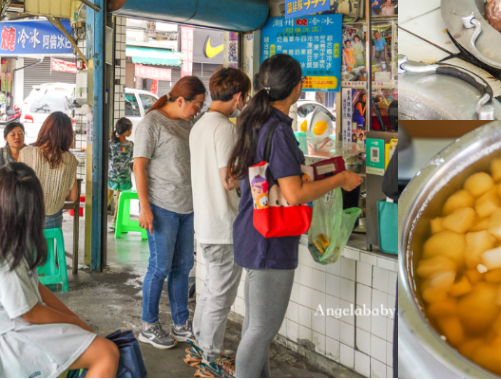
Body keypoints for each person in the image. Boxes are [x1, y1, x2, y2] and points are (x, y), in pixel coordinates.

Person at [227, 54, 362, 378]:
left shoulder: (255, 121)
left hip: (253, 231)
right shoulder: (278, 130)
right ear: (297, 87)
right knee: (261, 329)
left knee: (257, 327)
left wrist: (316, 173)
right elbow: (295, 194)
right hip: (269, 240)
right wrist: (341, 180)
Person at [0, 163, 119, 378]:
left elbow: (37, 288)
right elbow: (30, 312)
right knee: (107, 353)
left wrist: (75, 319)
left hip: (0, 330)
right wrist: (73, 322)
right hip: (8, 342)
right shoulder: (4, 257)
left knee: (86, 342)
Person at [133, 76, 206, 349]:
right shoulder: (152, 123)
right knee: (160, 267)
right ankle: (149, 325)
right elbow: (139, 167)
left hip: (188, 206)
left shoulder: (190, 123)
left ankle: (180, 324)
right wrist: (145, 207)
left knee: (183, 267)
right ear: (180, 100)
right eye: (196, 104)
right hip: (161, 206)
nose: (198, 110)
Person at [186, 68, 251, 378]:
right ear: (237, 96)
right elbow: (229, 179)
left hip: (206, 223)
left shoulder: (199, 125)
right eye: (245, 96)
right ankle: (211, 361)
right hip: (225, 226)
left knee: (210, 292)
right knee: (220, 298)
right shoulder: (224, 128)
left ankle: (200, 349)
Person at [19, 113, 79, 230]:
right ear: (67, 135)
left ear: (44, 130)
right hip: (52, 221)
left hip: (27, 220)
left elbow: (15, 189)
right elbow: (73, 197)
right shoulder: (70, 160)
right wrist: (58, 196)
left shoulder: (25, 153)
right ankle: (52, 249)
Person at [108, 117, 134, 225]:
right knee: (120, 198)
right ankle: (115, 221)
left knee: (107, 196)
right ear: (127, 131)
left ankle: (97, 218)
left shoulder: (111, 144)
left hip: (112, 176)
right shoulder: (130, 145)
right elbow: (132, 157)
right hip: (124, 177)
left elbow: (108, 156)